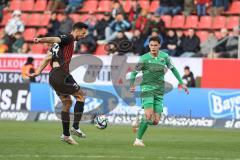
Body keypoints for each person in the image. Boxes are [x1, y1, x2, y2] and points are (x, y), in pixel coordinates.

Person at [28, 22, 88, 145]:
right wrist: (40, 40)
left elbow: (47, 58)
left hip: (54, 75)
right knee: (81, 96)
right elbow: (55, 38)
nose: (84, 35)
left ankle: (66, 135)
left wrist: (38, 72)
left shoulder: (58, 46)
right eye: (83, 33)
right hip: (61, 74)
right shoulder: (69, 38)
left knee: (67, 103)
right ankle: (75, 127)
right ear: (77, 30)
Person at [130, 36, 189, 147]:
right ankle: (138, 140)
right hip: (147, 88)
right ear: (149, 45)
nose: (153, 47)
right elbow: (134, 73)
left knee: (155, 121)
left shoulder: (165, 57)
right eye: (151, 45)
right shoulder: (144, 58)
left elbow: (173, 69)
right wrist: (132, 85)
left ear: (159, 46)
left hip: (159, 90)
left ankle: (138, 120)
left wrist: (181, 82)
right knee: (148, 116)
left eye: (155, 45)